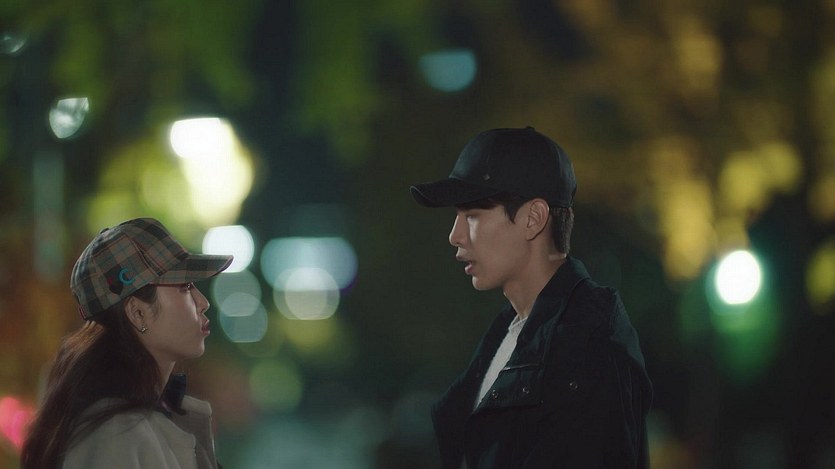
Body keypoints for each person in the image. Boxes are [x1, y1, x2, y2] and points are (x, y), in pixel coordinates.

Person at [410, 127, 653, 468]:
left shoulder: (587, 342)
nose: (455, 235)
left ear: (533, 219)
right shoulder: (508, 334)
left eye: (472, 216)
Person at [21, 217, 233, 469]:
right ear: (137, 312)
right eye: (185, 286)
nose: (203, 303)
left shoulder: (146, 421)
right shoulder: (114, 438)